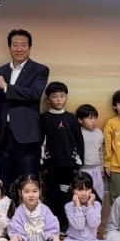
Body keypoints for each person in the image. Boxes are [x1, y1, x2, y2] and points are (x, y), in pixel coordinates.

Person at [0, 29, 49, 187]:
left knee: (29, 182)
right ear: (9, 47)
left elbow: (34, 94)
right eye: (15, 45)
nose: (19, 49)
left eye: (23, 45)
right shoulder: (1, 71)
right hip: (4, 135)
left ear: (30, 47)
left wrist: (6, 87)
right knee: (6, 181)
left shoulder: (40, 70)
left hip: (27, 136)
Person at [40, 81, 84, 231]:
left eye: (62, 96)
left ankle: (66, 226)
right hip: (51, 166)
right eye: (54, 96)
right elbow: (41, 142)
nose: (58, 99)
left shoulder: (71, 118)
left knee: (67, 196)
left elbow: (79, 141)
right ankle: (51, 227)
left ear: (66, 97)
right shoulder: (44, 118)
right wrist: (42, 164)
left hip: (69, 165)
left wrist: (78, 162)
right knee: (52, 196)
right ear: (48, 100)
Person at [6, 174, 63, 241]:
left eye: (34, 191)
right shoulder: (19, 211)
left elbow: (52, 229)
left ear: (40, 192)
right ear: (20, 193)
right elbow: (16, 231)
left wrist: (55, 238)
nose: (31, 195)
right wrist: (15, 238)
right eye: (26, 191)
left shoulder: (45, 209)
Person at [63, 172, 118, 241]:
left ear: (91, 190)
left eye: (87, 189)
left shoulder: (96, 205)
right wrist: (77, 206)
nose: (83, 193)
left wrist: (89, 206)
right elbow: (79, 226)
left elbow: (94, 224)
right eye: (79, 190)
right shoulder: (69, 206)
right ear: (73, 190)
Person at [76, 104, 105, 202]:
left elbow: (101, 151)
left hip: (96, 169)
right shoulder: (77, 132)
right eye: (90, 118)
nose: (93, 121)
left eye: (95, 118)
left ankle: (97, 211)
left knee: (98, 195)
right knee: (83, 195)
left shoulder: (99, 132)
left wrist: (101, 167)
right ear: (80, 120)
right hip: (82, 170)